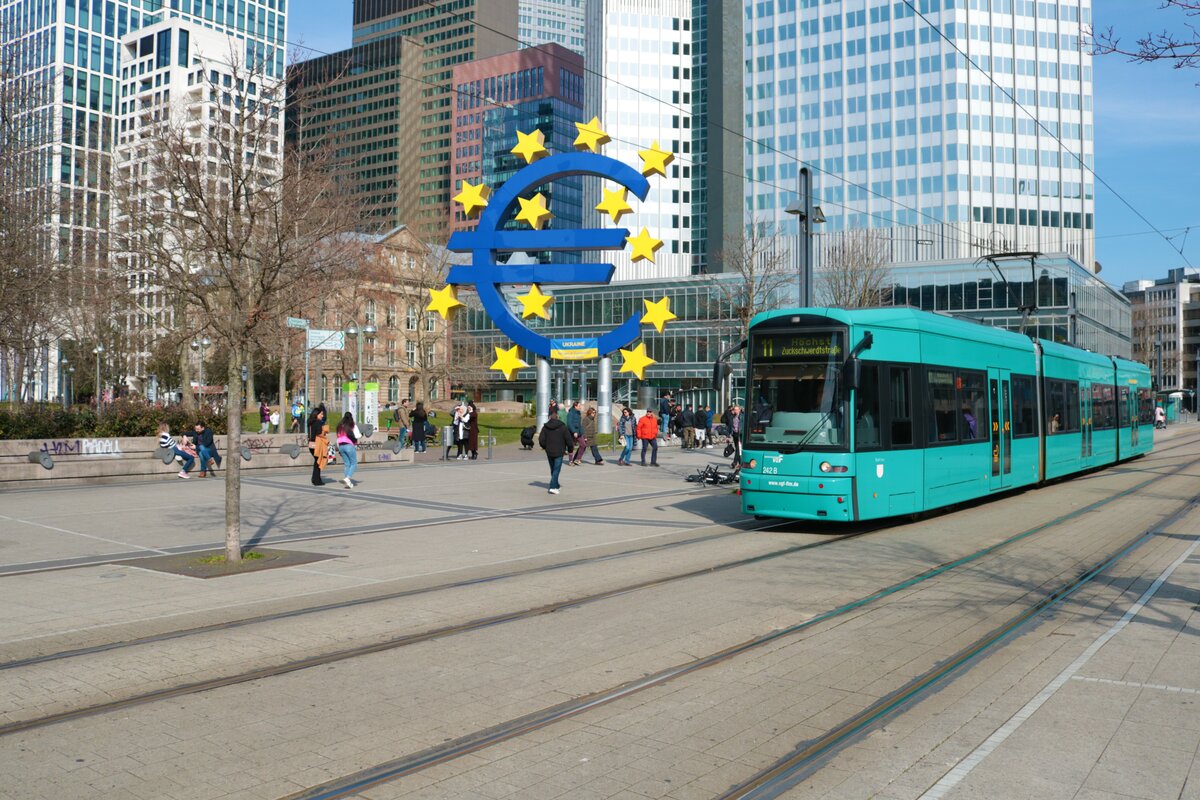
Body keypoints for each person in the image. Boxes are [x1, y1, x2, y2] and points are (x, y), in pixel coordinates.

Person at [538, 408, 575, 494]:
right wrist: (570, 450)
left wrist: (545, 447)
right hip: (559, 450)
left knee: (553, 469)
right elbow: (569, 440)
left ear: (550, 417)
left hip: (549, 451)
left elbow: (541, 440)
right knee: (556, 469)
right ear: (558, 417)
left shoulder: (545, 427)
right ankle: (553, 487)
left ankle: (556, 484)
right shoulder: (563, 427)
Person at [336, 411, 360, 488]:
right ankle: (348, 477)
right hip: (349, 445)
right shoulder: (352, 425)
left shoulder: (340, 426)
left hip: (341, 446)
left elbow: (338, 437)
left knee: (347, 464)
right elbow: (357, 435)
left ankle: (348, 482)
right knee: (354, 463)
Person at [309, 420, 330, 486]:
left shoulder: (311, 422)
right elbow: (320, 433)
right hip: (317, 444)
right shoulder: (317, 423)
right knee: (318, 462)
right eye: (321, 414)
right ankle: (316, 480)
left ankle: (315, 478)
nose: (322, 415)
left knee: (317, 462)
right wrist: (324, 427)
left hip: (312, 444)